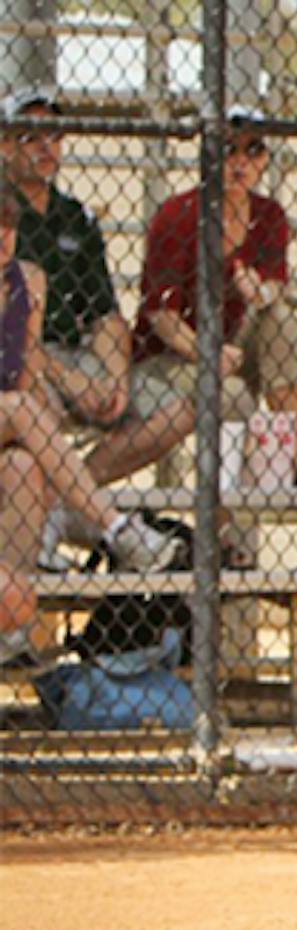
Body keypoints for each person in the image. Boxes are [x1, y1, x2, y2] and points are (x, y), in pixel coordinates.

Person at [0, 187, 185, 663]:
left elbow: (23, 368)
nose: (2, 239)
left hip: (9, 420)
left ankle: (12, 628)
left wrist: (45, 396)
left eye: (8, 229)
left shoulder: (27, 281)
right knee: (23, 408)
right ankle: (117, 527)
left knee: (24, 463)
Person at [3, 89, 190, 487]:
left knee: (178, 409)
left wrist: (114, 379)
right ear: (4, 146)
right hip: (26, 360)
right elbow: (14, 337)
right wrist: (72, 381)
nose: (45, 147)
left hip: (76, 352)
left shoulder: (75, 216)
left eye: (54, 135)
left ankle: (75, 494)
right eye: (30, 136)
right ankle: (62, 504)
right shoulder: (3, 212)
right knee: (39, 411)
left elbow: (104, 314)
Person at [132, 105, 297, 444]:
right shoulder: (178, 214)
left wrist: (261, 294)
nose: (240, 161)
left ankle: (293, 453)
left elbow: (275, 282)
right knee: (233, 395)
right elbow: (161, 316)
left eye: (253, 149)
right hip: (174, 353)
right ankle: (226, 486)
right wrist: (208, 353)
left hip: (235, 344)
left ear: (266, 158)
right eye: (229, 149)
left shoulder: (269, 214)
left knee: (285, 323)